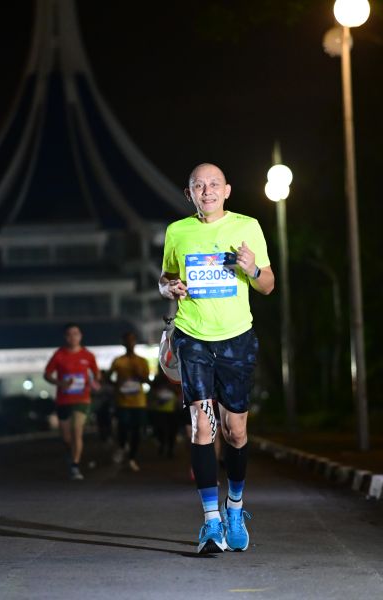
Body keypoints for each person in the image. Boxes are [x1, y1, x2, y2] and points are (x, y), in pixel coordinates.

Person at [158, 163, 274, 554]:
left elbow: (268, 284)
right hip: (193, 337)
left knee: (235, 432)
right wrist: (169, 288)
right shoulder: (177, 231)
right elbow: (165, 278)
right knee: (202, 428)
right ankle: (211, 523)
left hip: (236, 339)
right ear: (188, 193)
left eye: (213, 184)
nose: (206, 191)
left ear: (226, 190)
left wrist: (251, 267)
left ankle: (234, 508)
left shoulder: (248, 226)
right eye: (198, 185)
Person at [44, 323, 100, 480]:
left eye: (76, 333)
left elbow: (96, 375)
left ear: (80, 336)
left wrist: (94, 382)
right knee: (67, 438)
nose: (73, 337)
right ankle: (70, 454)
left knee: (77, 430)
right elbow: (47, 374)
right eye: (69, 334)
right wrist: (60, 383)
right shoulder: (59, 355)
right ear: (65, 337)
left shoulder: (88, 355)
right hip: (63, 400)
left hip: (82, 399)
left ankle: (75, 465)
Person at [109, 332, 149, 472]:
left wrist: (138, 373)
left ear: (135, 342)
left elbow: (147, 380)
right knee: (123, 426)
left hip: (139, 402)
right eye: (127, 341)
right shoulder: (118, 361)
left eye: (132, 340)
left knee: (137, 430)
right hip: (123, 401)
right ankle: (122, 446)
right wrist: (116, 384)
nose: (129, 343)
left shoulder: (142, 361)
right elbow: (108, 377)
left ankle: (132, 457)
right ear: (123, 343)